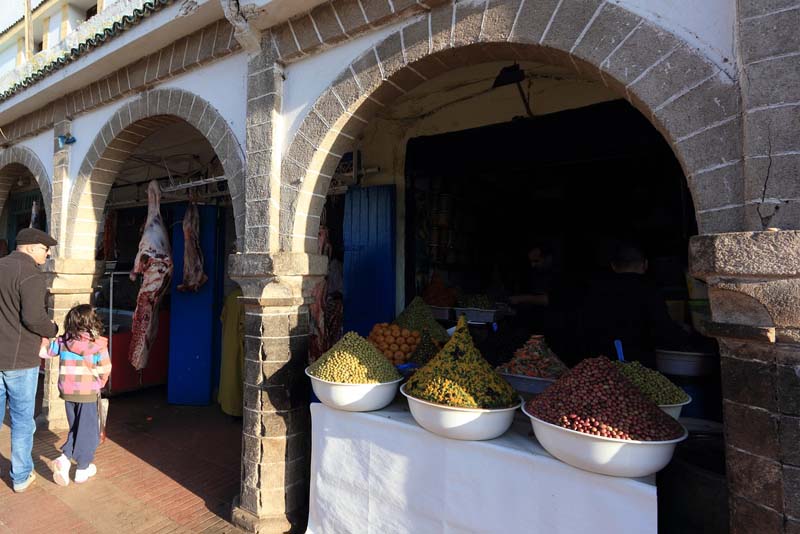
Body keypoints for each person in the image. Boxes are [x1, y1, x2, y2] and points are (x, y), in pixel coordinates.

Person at [0, 228, 59, 492]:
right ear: (33, 247)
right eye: (45, 249)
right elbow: (34, 318)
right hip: (20, 360)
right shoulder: (31, 275)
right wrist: (53, 329)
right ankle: (21, 475)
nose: (47, 254)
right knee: (23, 421)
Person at [576, 243, 692, 368]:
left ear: (613, 266)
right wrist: (685, 335)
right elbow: (663, 328)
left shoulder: (596, 290)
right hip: (640, 362)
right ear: (645, 265)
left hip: (600, 363)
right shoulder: (649, 290)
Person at [42, 304, 111, 486]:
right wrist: (100, 384)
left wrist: (43, 337)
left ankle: (66, 464)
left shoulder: (62, 341)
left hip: (68, 393)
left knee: (77, 428)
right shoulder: (98, 345)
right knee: (89, 432)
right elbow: (105, 369)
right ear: (92, 322)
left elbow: (44, 352)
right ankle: (79, 466)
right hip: (88, 393)